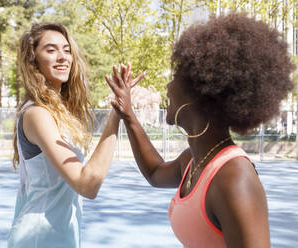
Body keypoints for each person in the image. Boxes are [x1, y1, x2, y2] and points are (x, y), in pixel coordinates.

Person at [106, 12, 294, 248]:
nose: (168, 85)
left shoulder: (233, 178)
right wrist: (128, 114)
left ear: (200, 93)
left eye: (176, 76)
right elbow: (155, 172)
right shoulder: (194, 161)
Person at [8, 22, 143, 248]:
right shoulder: (37, 114)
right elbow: (86, 184)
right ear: (34, 62)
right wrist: (115, 115)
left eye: (66, 49)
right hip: (39, 238)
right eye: (51, 50)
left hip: (60, 236)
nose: (62, 57)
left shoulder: (60, 112)